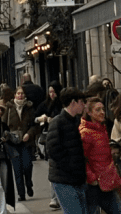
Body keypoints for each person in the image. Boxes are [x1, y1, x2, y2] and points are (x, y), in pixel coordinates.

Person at [46, 86, 88, 214]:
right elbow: (53, 150)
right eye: (82, 102)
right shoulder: (57, 122)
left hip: (77, 179)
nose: (84, 105)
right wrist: (71, 167)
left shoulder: (77, 121)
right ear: (73, 102)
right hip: (63, 179)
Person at [79, 97, 121, 214]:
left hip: (107, 179)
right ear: (89, 112)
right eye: (98, 110)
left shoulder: (101, 129)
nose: (102, 112)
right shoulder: (86, 133)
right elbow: (82, 158)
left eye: (103, 109)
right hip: (95, 184)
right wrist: (92, 178)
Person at [3, 85, 38, 201]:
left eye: (22, 93)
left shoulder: (29, 107)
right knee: (17, 169)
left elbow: (34, 125)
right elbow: (3, 126)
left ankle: (29, 183)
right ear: (14, 95)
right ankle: (21, 194)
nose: (20, 95)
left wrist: (29, 133)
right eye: (18, 93)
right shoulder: (8, 108)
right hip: (13, 143)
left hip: (26, 142)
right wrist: (7, 135)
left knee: (28, 166)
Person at [35, 82, 63, 209]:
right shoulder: (45, 104)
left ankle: (58, 197)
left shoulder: (62, 104)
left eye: (54, 91)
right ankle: (54, 198)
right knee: (53, 168)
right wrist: (41, 119)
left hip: (61, 138)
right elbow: (34, 118)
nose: (52, 94)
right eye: (50, 91)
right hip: (48, 138)